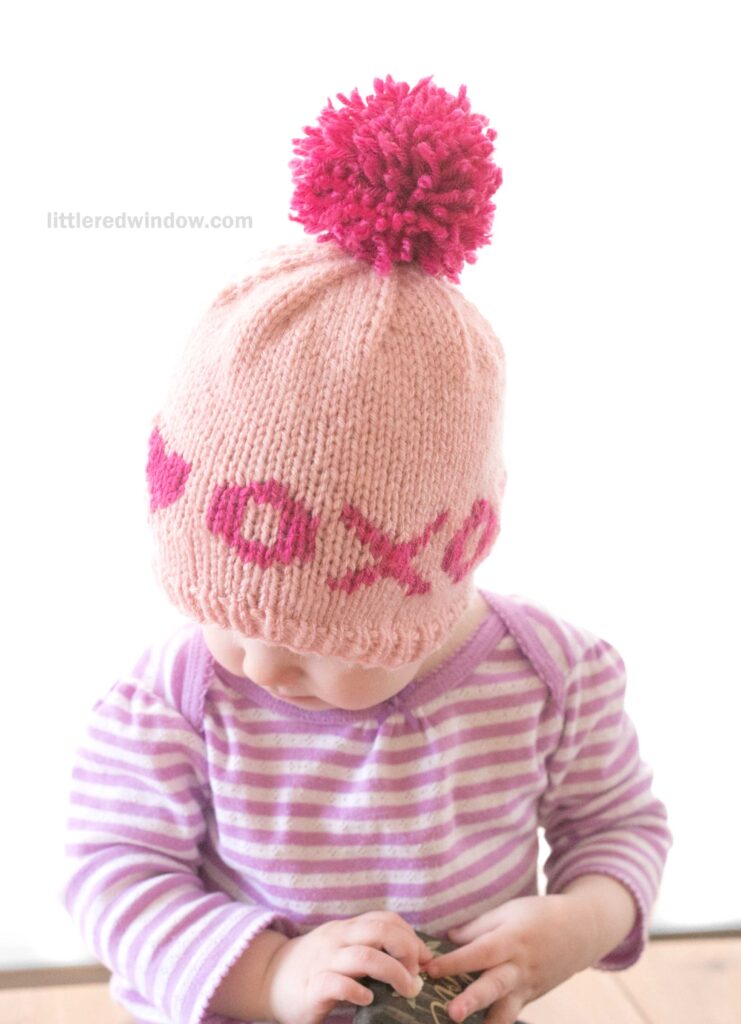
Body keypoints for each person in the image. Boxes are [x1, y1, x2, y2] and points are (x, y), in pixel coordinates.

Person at [62, 74, 672, 1024]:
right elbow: (111, 873)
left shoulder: (555, 675)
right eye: (221, 614)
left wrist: (579, 923)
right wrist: (271, 976)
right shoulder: (176, 694)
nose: (263, 665)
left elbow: (619, 826)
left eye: (319, 642)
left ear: (437, 574)